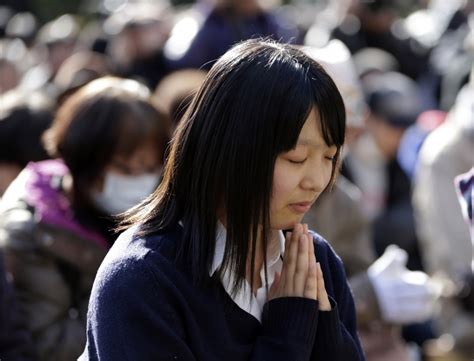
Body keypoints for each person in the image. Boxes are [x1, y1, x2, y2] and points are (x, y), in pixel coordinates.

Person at [80, 39, 365, 361]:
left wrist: (325, 331)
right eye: (296, 159)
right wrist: (288, 336)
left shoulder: (316, 261)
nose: (317, 181)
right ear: (231, 151)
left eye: (329, 157)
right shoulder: (144, 280)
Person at [0, 76, 169, 361]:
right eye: (124, 169)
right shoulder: (32, 230)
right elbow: (51, 345)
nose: (139, 181)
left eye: (150, 169)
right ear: (84, 161)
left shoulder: (155, 216)